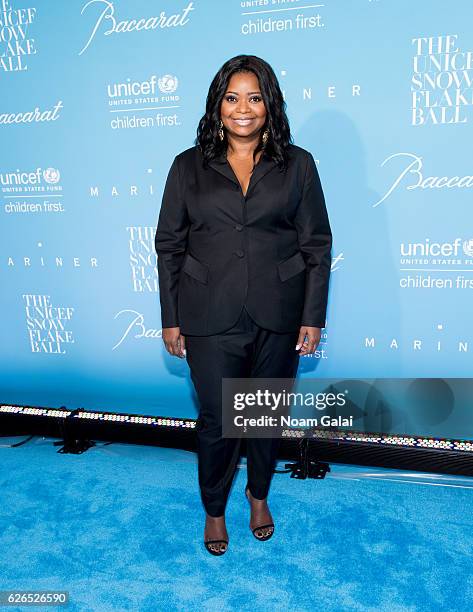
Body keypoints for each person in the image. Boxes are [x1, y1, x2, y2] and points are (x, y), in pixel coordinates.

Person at [155, 55, 332, 556]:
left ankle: (258, 497)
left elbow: (316, 246)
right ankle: (214, 509)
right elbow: (169, 246)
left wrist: (311, 317)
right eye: (232, 97)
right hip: (208, 315)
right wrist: (171, 318)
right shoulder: (187, 166)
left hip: (279, 312)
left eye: (254, 97)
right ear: (217, 106)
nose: (243, 108)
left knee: (264, 417)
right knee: (217, 419)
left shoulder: (298, 164)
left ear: (269, 104)